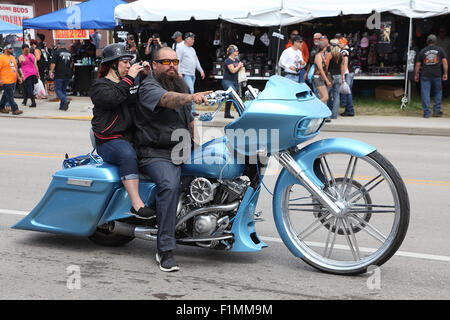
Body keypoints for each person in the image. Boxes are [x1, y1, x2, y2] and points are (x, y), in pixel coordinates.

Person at [135, 47, 210, 272]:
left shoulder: (180, 84)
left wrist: (197, 144)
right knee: (169, 186)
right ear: (154, 65)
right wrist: (190, 96)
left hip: (182, 148)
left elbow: (189, 118)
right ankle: (165, 249)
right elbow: (168, 100)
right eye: (166, 62)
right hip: (156, 152)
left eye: (175, 61)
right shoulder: (149, 86)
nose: (172, 66)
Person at [90, 43, 154, 221]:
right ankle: (137, 205)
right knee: (127, 155)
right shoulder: (100, 86)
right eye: (124, 62)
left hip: (130, 136)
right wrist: (130, 78)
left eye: (129, 62)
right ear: (112, 65)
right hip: (108, 140)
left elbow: (145, 96)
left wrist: (148, 76)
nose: (128, 65)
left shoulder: (129, 83)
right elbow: (114, 98)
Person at [415, 34, 448, 118]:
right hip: (437, 74)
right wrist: (445, 73)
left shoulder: (423, 51)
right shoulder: (440, 50)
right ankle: (436, 111)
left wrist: (416, 74)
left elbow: (418, 64)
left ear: (427, 41)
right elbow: (445, 62)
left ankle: (426, 113)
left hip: (425, 75)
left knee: (425, 93)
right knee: (438, 92)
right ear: (436, 42)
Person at [176, 32, 205, 117]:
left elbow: (196, 61)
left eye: (193, 39)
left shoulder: (192, 49)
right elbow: (178, 61)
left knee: (188, 91)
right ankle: (191, 110)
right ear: (187, 39)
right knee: (191, 91)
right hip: (185, 73)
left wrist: (201, 70)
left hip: (192, 74)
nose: (193, 40)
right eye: (192, 39)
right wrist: (179, 72)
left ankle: (186, 108)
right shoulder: (181, 48)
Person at [49, 41, 74, 111]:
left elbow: (53, 63)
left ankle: (65, 100)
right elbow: (71, 64)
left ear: (59, 45)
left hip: (59, 74)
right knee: (63, 90)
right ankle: (62, 106)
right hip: (67, 74)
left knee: (58, 90)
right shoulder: (69, 53)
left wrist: (51, 71)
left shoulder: (56, 52)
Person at [0, 44, 23, 115]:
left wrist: (19, 77)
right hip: (6, 80)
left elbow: (15, 68)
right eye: (10, 48)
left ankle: (1, 107)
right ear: (5, 49)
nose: (12, 49)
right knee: (10, 96)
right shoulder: (1, 58)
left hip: (13, 80)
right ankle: (15, 109)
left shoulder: (13, 57)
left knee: (6, 95)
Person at [222, 44, 243, 119]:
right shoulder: (228, 60)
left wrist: (240, 67)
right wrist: (238, 66)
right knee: (234, 97)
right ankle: (241, 113)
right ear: (232, 52)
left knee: (230, 98)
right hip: (228, 81)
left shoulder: (236, 60)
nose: (238, 52)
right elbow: (233, 70)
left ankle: (226, 113)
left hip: (235, 81)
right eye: (236, 50)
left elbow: (237, 70)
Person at [327, 39, 347, 119]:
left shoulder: (329, 55)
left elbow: (327, 67)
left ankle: (327, 114)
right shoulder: (341, 55)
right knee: (336, 96)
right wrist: (342, 77)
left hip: (330, 76)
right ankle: (334, 115)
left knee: (327, 95)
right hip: (338, 76)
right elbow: (342, 67)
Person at [337, 37, 355, 117]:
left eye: (340, 43)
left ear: (344, 43)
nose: (338, 44)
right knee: (348, 91)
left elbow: (345, 64)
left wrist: (342, 75)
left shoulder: (345, 52)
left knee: (347, 92)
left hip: (347, 72)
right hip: (350, 72)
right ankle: (349, 109)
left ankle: (350, 110)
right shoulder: (348, 50)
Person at [18, 43, 39, 108]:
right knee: (29, 88)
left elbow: (19, 67)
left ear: (22, 50)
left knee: (27, 88)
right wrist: (38, 73)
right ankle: (25, 101)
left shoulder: (21, 57)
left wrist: (22, 75)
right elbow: (36, 65)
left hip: (26, 74)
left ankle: (33, 102)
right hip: (33, 73)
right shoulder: (32, 55)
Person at [313, 39, 332, 105]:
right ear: (323, 47)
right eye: (326, 47)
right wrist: (327, 80)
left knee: (323, 97)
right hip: (318, 78)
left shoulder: (322, 55)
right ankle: (313, 107)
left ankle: (320, 113)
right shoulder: (318, 56)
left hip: (320, 78)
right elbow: (320, 70)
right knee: (325, 97)